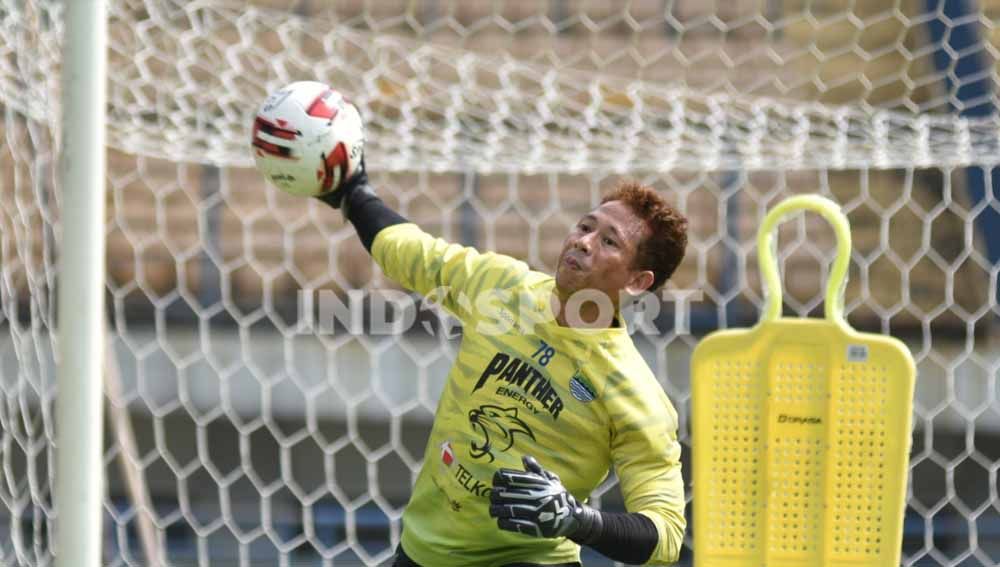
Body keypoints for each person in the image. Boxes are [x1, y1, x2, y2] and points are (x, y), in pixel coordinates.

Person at [318, 158, 688, 566]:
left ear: (637, 281)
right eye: (585, 226)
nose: (583, 242)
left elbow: (666, 536)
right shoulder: (500, 288)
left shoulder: (634, 392)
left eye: (610, 242)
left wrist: (577, 520)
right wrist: (354, 192)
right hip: (425, 550)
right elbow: (411, 253)